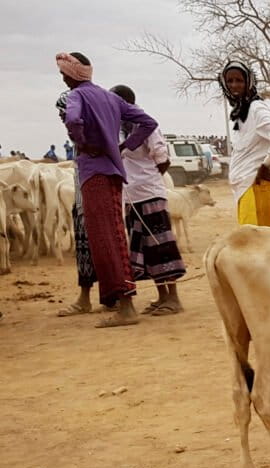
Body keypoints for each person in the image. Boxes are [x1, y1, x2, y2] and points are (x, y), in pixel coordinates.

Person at [58, 51, 158, 328]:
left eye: (63, 73)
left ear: (72, 73)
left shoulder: (77, 96)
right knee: (114, 234)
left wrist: (83, 143)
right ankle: (122, 301)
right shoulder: (111, 97)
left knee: (104, 239)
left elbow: (73, 120)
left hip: (94, 173)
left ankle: (126, 307)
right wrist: (123, 146)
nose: (62, 78)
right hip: (114, 171)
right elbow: (148, 123)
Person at [111, 84, 186, 315]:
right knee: (146, 248)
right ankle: (161, 296)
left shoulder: (145, 124)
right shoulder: (119, 128)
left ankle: (173, 298)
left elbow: (162, 159)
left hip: (150, 193)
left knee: (160, 244)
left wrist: (148, 180)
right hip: (131, 197)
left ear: (124, 104)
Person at [219, 60, 270, 226]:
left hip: (258, 189)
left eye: (239, 80)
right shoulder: (241, 111)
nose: (234, 85)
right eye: (229, 81)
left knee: (260, 248)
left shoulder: (255, 108)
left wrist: (266, 165)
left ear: (249, 83)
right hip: (247, 190)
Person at [54, 90, 101, 318]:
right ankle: (105, 297)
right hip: (87, 200)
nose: (64, 120)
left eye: (64, 114)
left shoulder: (87, 138)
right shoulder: (83, 140)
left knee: (89, 245)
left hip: (90, 201)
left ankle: (86, 299)